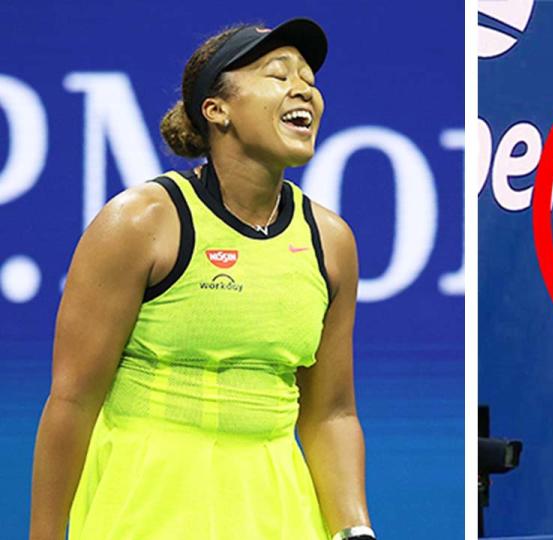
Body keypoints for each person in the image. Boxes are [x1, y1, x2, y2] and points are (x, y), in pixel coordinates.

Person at [29, 19, 375, 540]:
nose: (304, 88)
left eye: (308, 78)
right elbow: (73, 400)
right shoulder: (141, 223)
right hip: (145, 501)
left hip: (279, 507)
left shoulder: (332, 241)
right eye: (278, 75)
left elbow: (330, 414)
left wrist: (354, 529)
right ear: (217, 110)